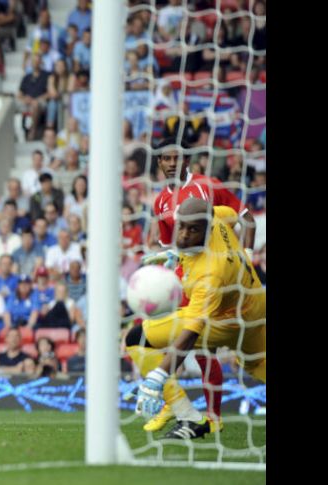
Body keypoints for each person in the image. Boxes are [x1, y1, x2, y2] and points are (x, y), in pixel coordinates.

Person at [139, 137, 258, 434]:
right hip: (184, 279)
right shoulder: (160, 202)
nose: (171, 164)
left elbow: (247, 219)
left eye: (176, 158)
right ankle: (173, 403)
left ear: (187, 160)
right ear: (159, 162)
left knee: (204, 348)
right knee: (159, 337)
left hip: (215, 279)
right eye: (166, 159)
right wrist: (166, 264)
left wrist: (246, 257)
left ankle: (214, 416)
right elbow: (173, 247)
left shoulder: (206, 186)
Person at [128, 199, 265, 440]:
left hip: (225, 322)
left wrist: (158, 376)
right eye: (181, 226)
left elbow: (190, 334)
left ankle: (184, 412)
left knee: (136, 338)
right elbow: (240, 217)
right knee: (258, 365)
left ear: (208, 228)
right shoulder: (218, 216)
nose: (183, 234)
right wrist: (180, 255)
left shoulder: (211, 273)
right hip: (255, 305)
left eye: (193, 230)